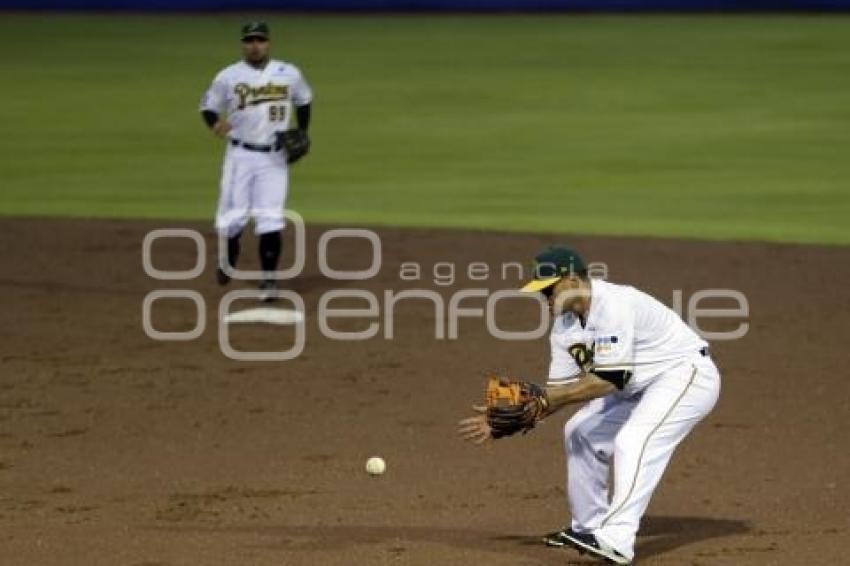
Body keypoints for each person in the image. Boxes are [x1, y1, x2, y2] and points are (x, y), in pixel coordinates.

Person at [458, 246, 721, 565]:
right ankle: (588, 528)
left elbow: (608, 381)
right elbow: (559, 391)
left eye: (547, 290)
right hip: (636, 387)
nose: (544, 298)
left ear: (570, 280)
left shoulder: (614, 304)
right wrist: (512, 419)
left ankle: (618, 541)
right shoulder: (563, 327)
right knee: (579, 431)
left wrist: (542, 400)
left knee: (634, 441)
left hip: (684, 375)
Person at [199, 21, 313, 301]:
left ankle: (269, 280)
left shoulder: (289, 73)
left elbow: (304, 101)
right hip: (239, 155)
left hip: (275, 157)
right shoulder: (228, 76)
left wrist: (301, 131)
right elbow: (208, 106)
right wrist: (214, 123)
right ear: (243, 44)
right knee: (233, 219)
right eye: (250, 40)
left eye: (260, 40)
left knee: (270, 219)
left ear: (268, 43)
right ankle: (230, 256)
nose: (255, 45)